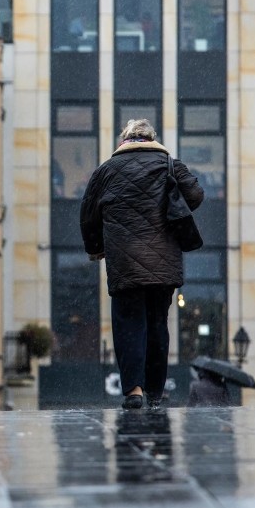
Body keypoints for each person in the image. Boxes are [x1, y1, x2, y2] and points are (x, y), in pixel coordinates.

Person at [79, 119, 204, 410]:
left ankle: (134, 390)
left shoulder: (106, 171)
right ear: (152, 139)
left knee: (128, 324)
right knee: (158, 324)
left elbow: (87, 213)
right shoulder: (171, 165)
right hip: (164, 263)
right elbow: (196, 194)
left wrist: (95, 248)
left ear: (125, 140)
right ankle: (156, 393)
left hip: (124, 262)